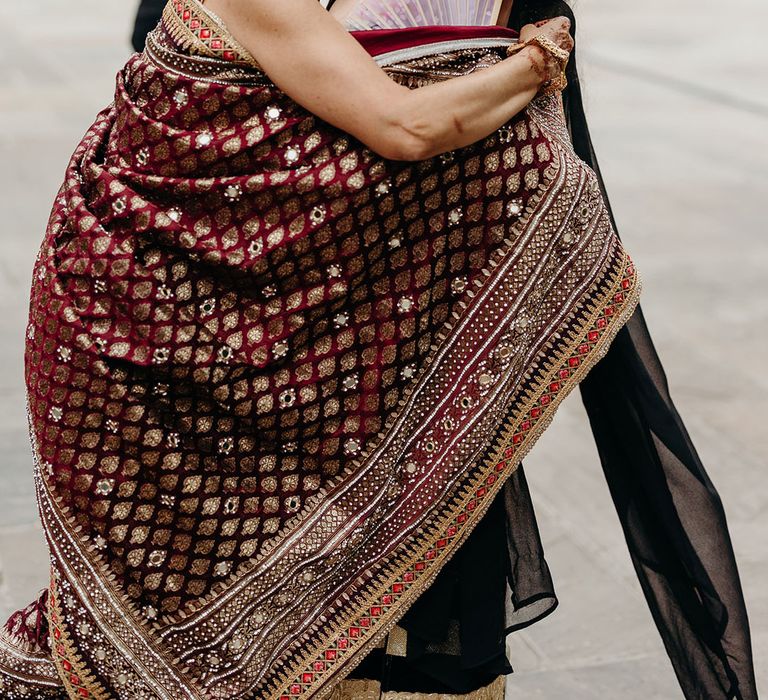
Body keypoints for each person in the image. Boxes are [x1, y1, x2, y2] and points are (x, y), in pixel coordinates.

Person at [0, 1, 756, 699]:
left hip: (147, 307)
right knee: (164, 585)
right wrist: (536, 61)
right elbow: (407, 129)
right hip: (132, 329)